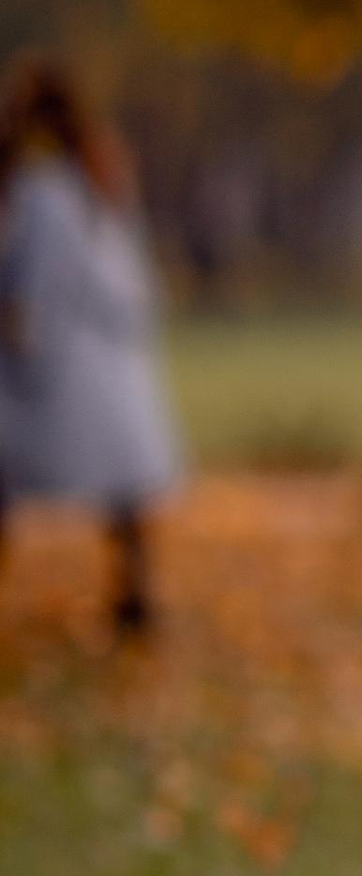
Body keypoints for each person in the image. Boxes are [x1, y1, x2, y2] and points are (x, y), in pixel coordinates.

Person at [0, 56, 184, 640]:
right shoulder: (99, 174)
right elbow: (132, 269)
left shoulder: (41, 189)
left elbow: (38, 283)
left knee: (8, 470)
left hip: (61, 357)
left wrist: (25, 342)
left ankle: (134, 601)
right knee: (124, 491)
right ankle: (135, 599)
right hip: (113, 358)